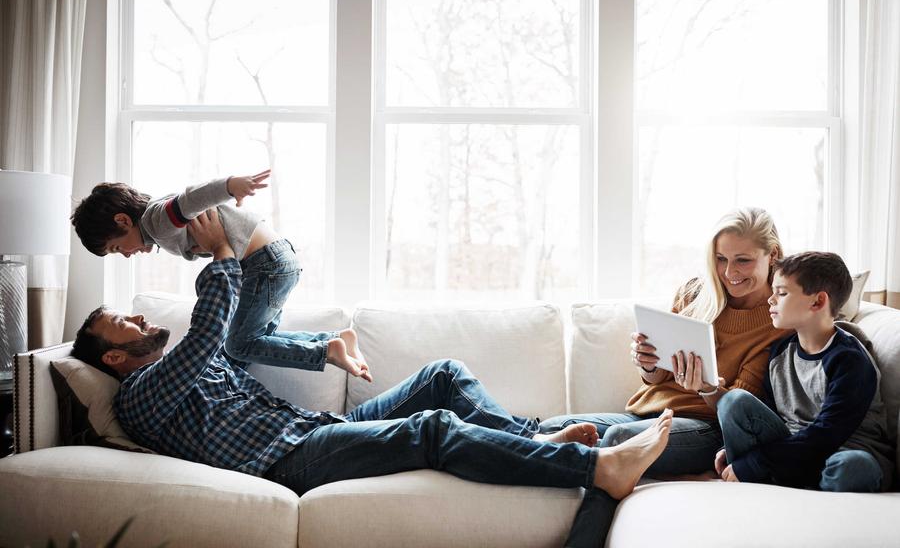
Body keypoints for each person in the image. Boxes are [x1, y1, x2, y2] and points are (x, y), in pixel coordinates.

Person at [70, 208, 676, 506]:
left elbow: (229, 340)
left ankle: (534, 442)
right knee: (432, 430)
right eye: (125, 322)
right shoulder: (141, 396)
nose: (143, 318)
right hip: (288, 462)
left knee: (442, 377)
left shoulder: (188, 367)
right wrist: (223, 254)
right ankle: (595, 469)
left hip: (315, 432)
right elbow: (207, 334)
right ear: (116, 359)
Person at [541, 207, 791, 547]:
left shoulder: (780, 318)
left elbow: (740, 409)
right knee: (553, 428)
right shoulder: (695, 293)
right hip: (649, 413)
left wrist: (706, 388)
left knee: (618, 440)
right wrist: (648, 364)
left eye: (743, 260)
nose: (729, 272)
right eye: (720, 259)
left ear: (772, 254)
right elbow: (659, 377)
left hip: (706, 428)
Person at [70, 172, 371, 383]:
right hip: (273, 261)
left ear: (123, 221)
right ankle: (334, 341)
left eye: (117, 247)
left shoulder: (156, 220)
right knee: (249, 341)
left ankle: (327, 350)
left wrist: (230, 186)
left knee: (238, 346)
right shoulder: (156, 223)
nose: (124, 254)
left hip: (264, 264)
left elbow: (190, 199)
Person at [715, 251, 893, 491]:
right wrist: (733, 447)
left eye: (782, 293)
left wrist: (756, 461)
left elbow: (827, 434)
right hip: (792, 450)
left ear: (818, 302)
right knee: (733, 401)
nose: (771, 300)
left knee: (851, 466)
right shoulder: (780, 352)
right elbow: (768, 414)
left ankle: (797, 490)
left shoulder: (849, 359)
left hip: (842, 450)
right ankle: (778, 484)